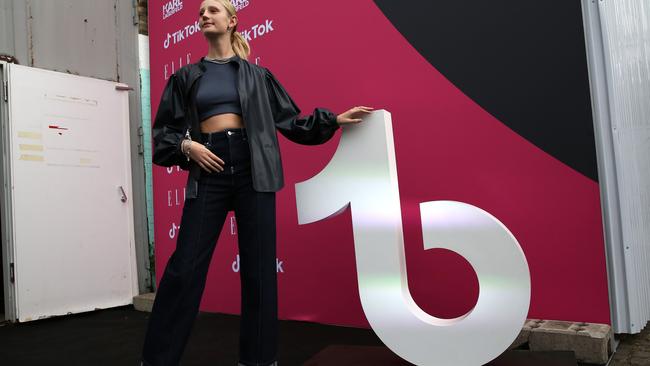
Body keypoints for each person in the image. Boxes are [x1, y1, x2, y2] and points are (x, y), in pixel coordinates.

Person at [141, 1, 373, 365]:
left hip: (255, 169)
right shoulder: (186, 76)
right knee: (184, 270)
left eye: (213, 9)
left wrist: (333, 120)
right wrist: (188, 146)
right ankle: (157, 360)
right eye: (201, 11)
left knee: (260, 273)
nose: (204, 15)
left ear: (232, 21)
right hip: (209, 166)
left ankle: (259, 360)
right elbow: (163, 136)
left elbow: (291, 122)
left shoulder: (257, 76)